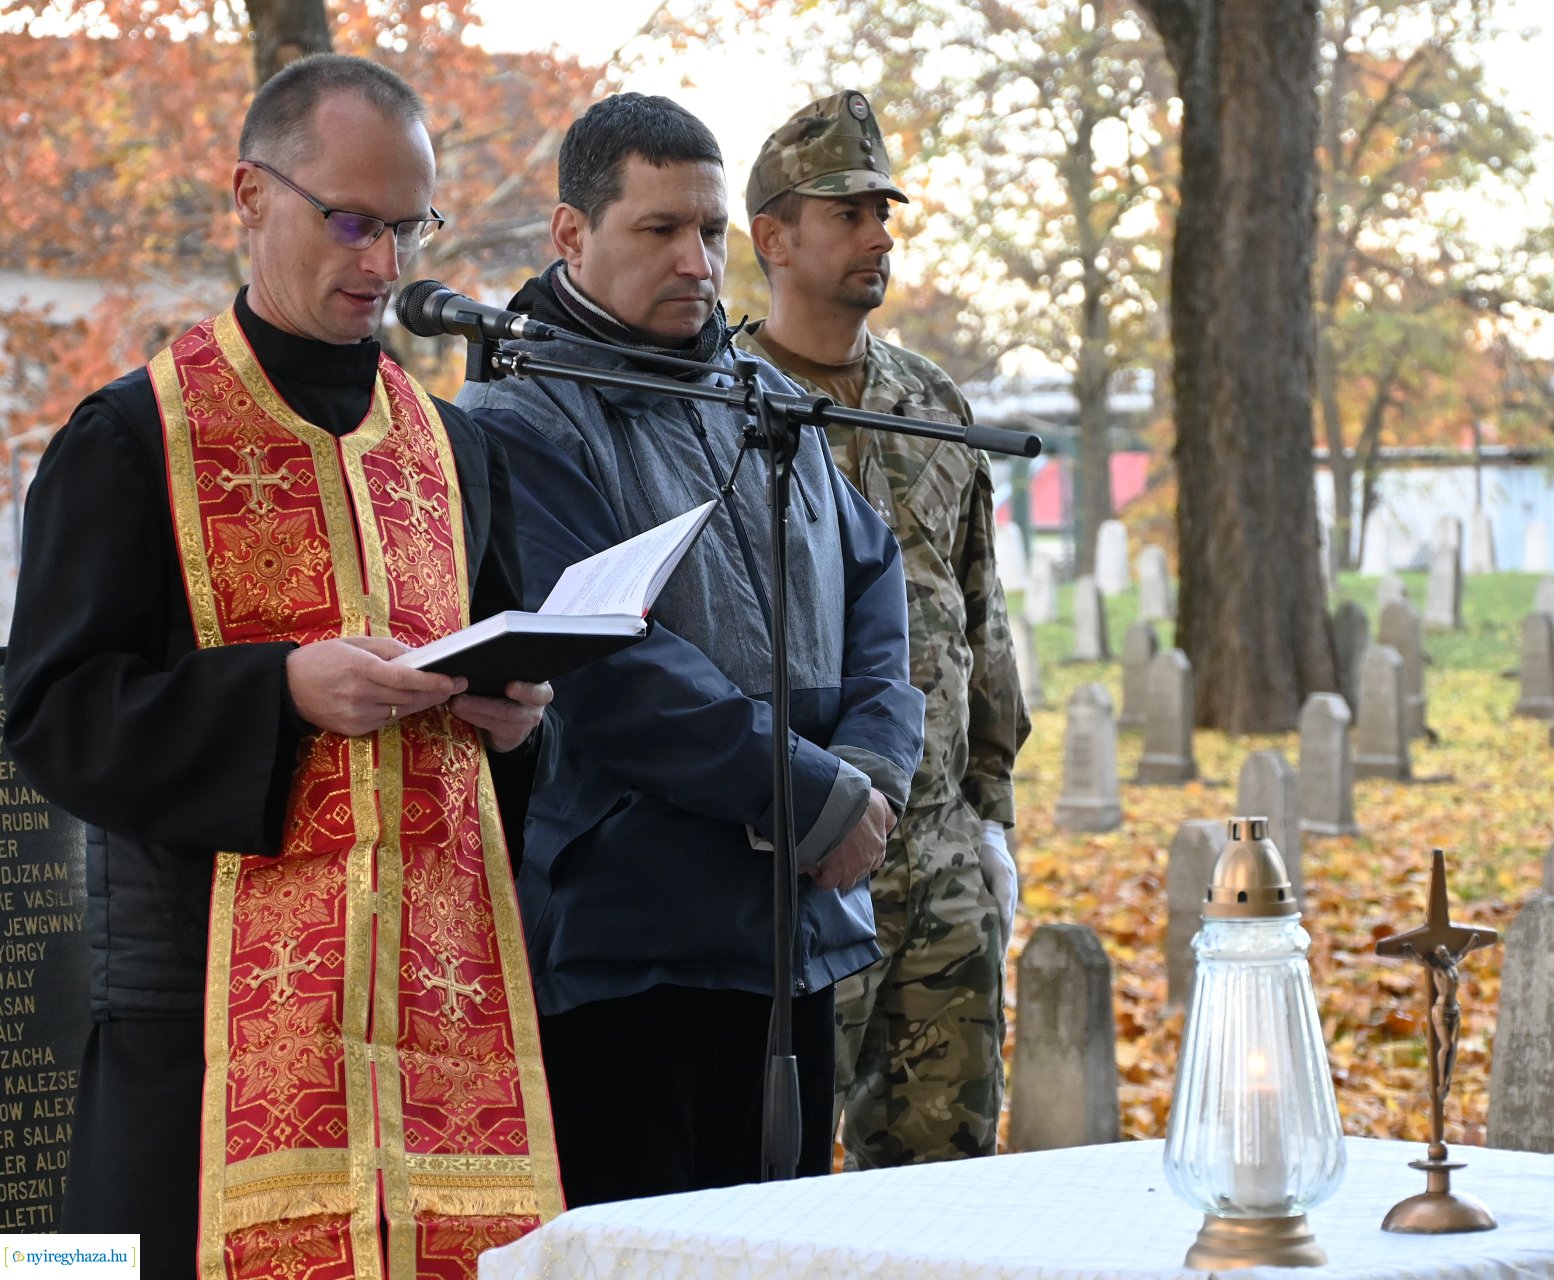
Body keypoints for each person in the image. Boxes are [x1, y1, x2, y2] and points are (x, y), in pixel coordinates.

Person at [3, 55, 563, 1276]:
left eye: (410, 226)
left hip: (435, 1030)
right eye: (352, 221)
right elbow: (50, 714)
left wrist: (522, 721)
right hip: (198, 1028)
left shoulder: (458, 452)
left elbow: (510, 695)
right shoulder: (130, 435)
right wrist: (282, 691)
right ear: (251, 195)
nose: (384, 263)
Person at [456, 93, 924, 1203]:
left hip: (794, 926)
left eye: (709, 232)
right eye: (658, 230)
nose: (696, 261)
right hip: (633, 944)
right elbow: (610, 671)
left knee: (789, 1243)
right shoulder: (517, 420)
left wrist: (869, 782)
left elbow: (874, 578)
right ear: (572, 235)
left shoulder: (765, 399)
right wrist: (812, 794)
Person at [738, 90, 1030, 1169]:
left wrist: (991, 814)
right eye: (847, 211)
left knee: (946, 1171)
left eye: (882, 211)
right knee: (783, 1173)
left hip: (945, 854)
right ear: (774, 236)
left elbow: (977, 613)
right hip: (807, 852)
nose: (879, 234)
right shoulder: (726, 403)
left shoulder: (929, 399)